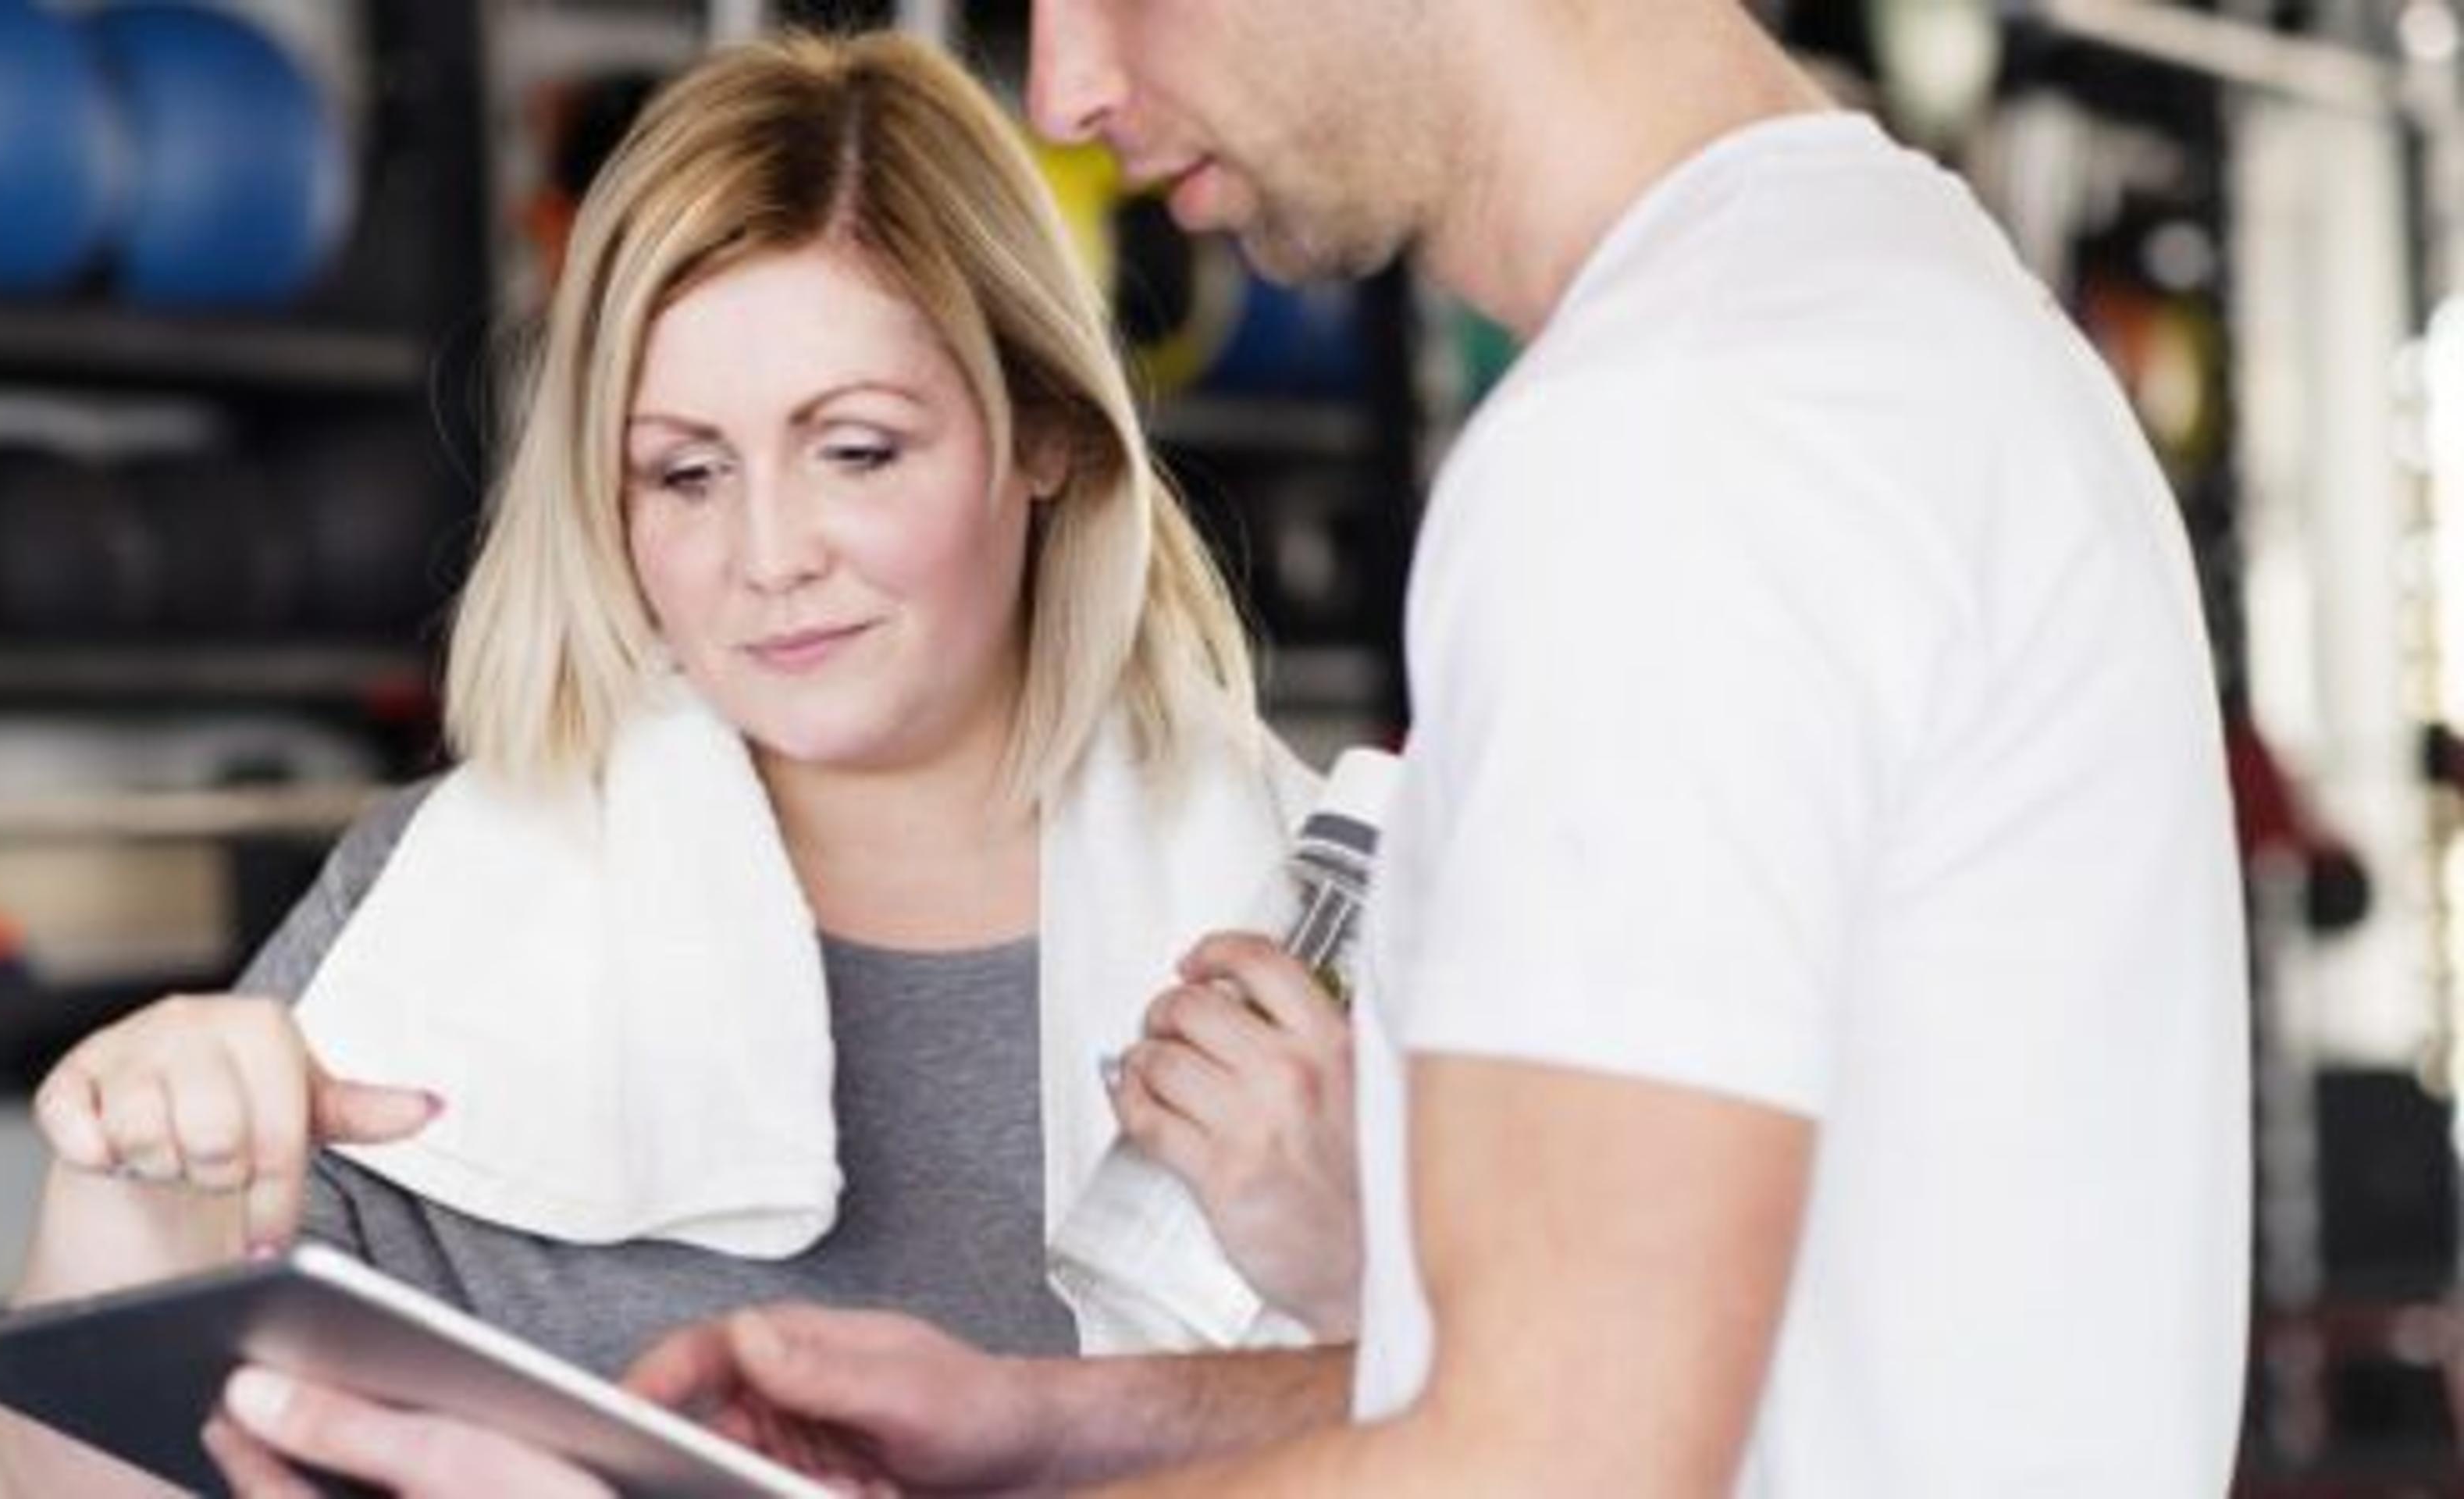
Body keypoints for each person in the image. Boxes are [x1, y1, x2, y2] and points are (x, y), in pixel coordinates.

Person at [579, 2, 2249, 1496]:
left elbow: (1561, 1465)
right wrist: (1051, 1421)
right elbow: (1648, 1383)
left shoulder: (1671, 440)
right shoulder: (1904, 318)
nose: (1075, 88)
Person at [0, 30, 1380, 1499]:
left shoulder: (1331, 956)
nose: (768, 559)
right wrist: (125, 1206)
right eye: (687, 473)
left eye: (859, 451)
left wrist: (1371, 1283)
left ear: (1045, 438)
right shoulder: (437, 900)